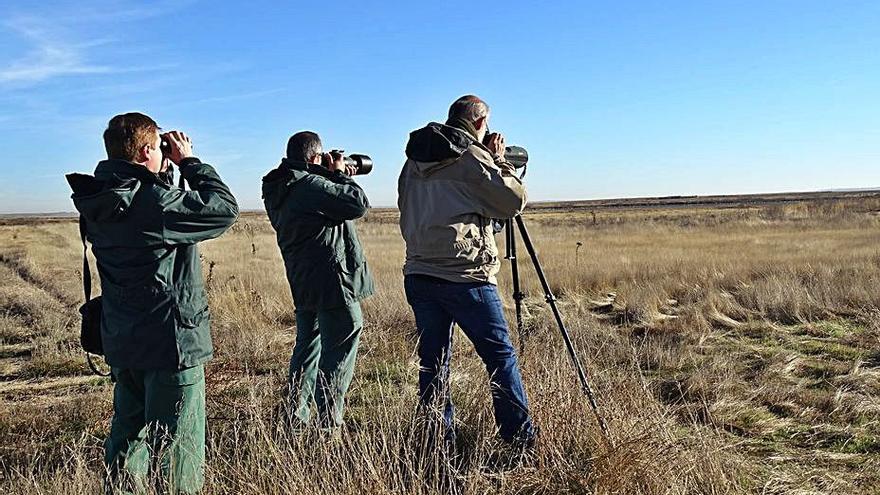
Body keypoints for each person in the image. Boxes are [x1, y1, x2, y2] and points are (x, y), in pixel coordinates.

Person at [66, 112, 239, 493]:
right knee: (177, 451)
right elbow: (224, 209)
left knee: (127, 440)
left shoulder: (99, 198)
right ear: (147, 150)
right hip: (170, 345)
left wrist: (162, 173)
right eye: (161, 148)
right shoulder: (156, 203)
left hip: (124, 340)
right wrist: (190, 162)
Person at [398, 95, 537, 451]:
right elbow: (512, 202)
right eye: (486, 124)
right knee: (500, 359)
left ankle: (436, 442)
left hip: (420, 273)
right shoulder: (471, 156)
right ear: (479, 121)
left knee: (433, 363)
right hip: (466, 276)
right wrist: (500, 162)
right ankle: (519, 442)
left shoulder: (413, 160)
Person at [262, 131, 373, 431]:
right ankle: (328, 426)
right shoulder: (308, 184)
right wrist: (339, 175)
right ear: (313, 158)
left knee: (308, 346)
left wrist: (328, 174)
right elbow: (357, 203)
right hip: (333, 280)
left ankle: (295, 417)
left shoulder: (279, 186)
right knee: (340, 346)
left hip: (303, 279)